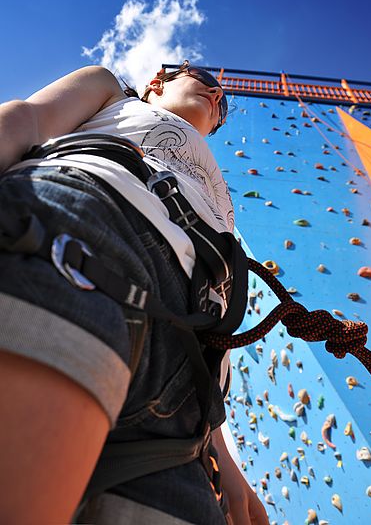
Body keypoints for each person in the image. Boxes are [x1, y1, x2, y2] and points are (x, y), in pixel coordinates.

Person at [0, 61, 269, 524]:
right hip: (92, 227)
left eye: (223, 103)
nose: (217, 93)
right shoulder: (113, 94)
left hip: (190, 380)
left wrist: (220, 450)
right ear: (157, 82)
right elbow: (28, 118)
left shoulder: (219, 193)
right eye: (203, 78)